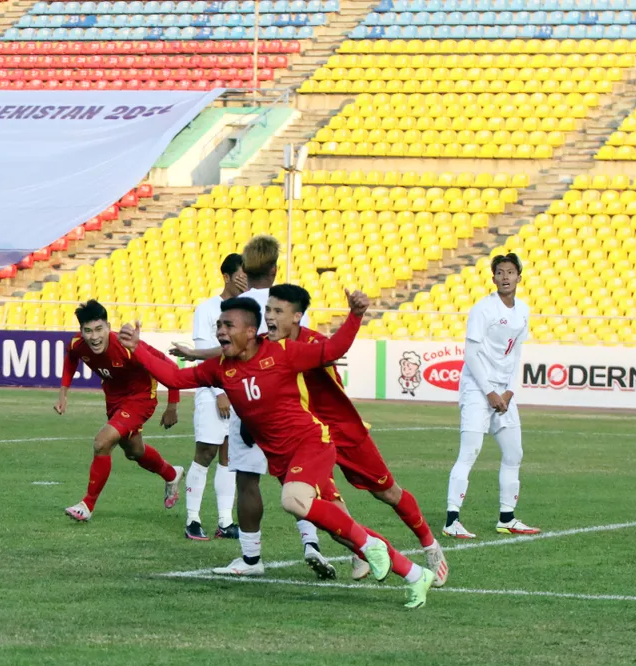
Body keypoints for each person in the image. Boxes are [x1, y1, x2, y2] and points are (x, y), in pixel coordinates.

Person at [121, 296, 436, 609]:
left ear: (250, 331)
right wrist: (139, 348)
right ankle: (414, 575)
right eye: (219, 325)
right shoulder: (220, 368)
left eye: (228, 325)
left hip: (312, 444)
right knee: (337, 527)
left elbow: (333, 350)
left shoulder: (283, 352)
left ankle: (370, 546)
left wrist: (355, 315)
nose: (221, 332)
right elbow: (174, 378)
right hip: (284, 460)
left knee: (292, 500)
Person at [172, 235, 334, 579]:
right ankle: (311, 542)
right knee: (297, 481)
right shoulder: (286, 302)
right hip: (288, 407)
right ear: (274, 268)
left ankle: (249, 557)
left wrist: (197, 358)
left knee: (247, 480)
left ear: (246, 268)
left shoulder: (240, 306)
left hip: (247, 408)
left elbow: (228, 351)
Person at [265, 284, 448, 587]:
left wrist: (355, 315)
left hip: (341, 429)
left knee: (387, 492)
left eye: (277, 311)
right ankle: (362, 549)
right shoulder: (264, 346)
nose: (269, 317)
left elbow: (333, 349)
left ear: (296, 317)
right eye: (267, 310)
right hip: (305, 438)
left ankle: (430, 545)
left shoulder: (314, 343)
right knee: (323, 506)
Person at [56, 300, 184, 522]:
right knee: (134, 451)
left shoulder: (126, 346)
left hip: (141, 397)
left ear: (108, 326)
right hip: (114, 399)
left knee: (102, 442)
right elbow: (71, 358)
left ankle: (87, 505)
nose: (94, 337)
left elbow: (169, 366)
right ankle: (172, 474)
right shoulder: (78, 344)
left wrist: (172, 404)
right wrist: (63, 392)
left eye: (99, 329)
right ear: (81, 331)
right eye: (88, 331)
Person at [444, 253, 539, 539]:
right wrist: (489, 392)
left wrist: (509, 391)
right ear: (493, 277)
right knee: (469, 452)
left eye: (510, 272)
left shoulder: (523, 310)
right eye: (500, 272)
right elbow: (471, 354)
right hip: (478, 388)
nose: (506, 277)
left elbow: (517, 353)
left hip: (504, 393)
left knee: (514, 453)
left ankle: (507, 518)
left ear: (519, 277)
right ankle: (452, 521)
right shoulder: (482, 309)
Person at [184, 253, 247, 540]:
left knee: (229, 456)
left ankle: (225, 521)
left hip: (240, 396)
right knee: (206, 453)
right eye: (240, 274)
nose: (245, 278)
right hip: (213, 393)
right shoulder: (207, 309)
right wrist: (221, 391)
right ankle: (192, 520)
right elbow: (201, 355)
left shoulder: (248, 311)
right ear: (226, 276)